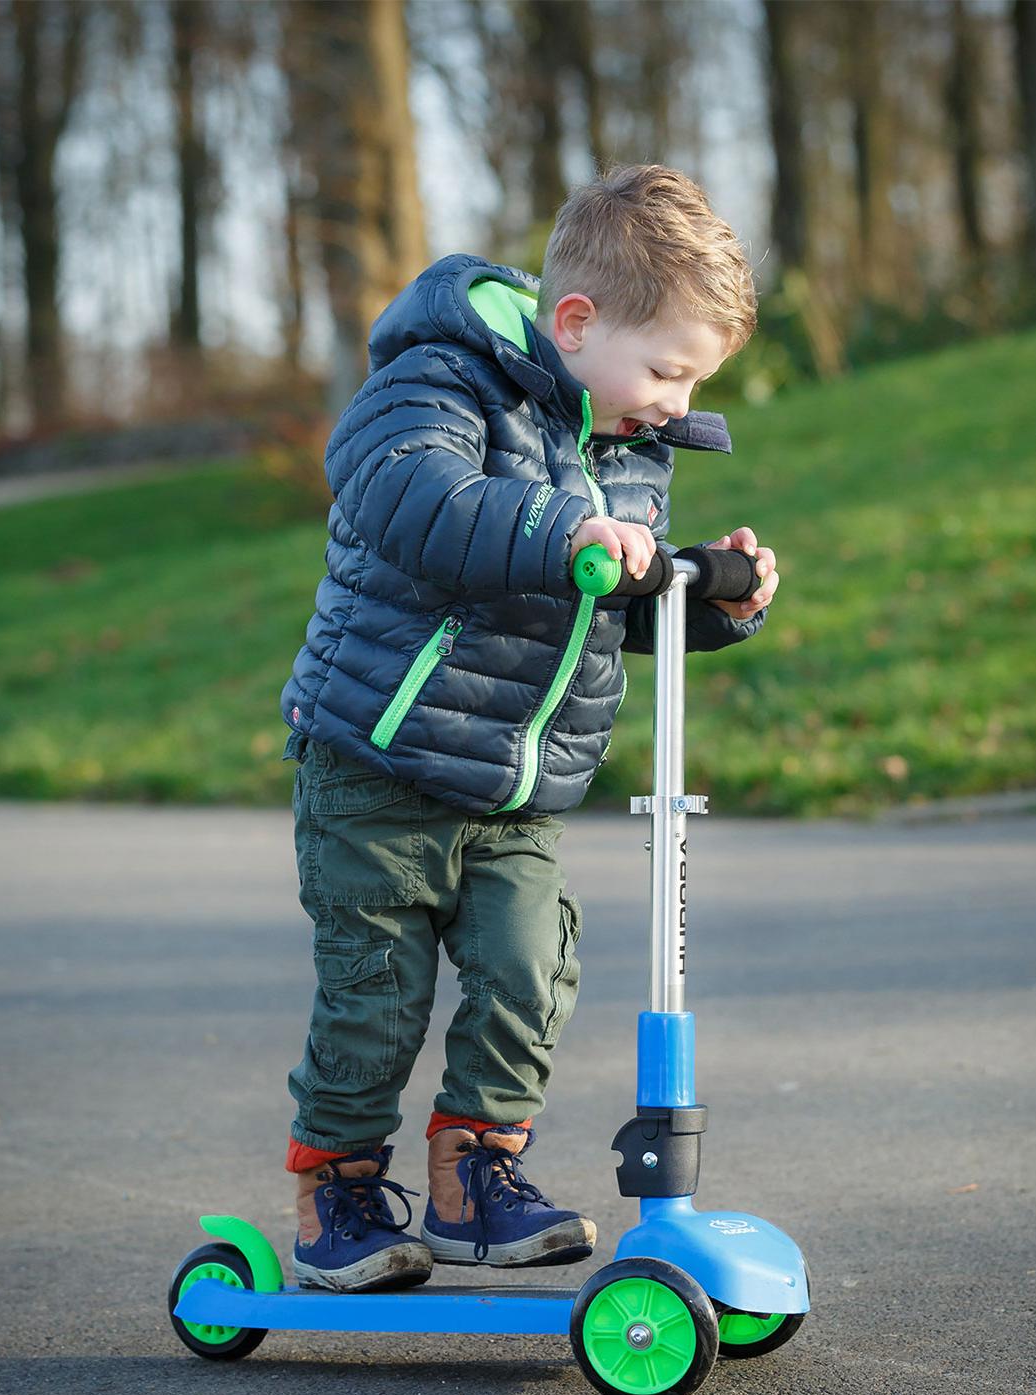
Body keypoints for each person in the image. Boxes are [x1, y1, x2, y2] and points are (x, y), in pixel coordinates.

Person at [278, 163, 780, 1292]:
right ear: (574, 322)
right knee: (378, 991)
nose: (672, 400)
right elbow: (423, 508)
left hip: (513, 788)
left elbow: (596, 603)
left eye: (690, 379)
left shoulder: (628, 444)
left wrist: (713, 602)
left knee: (525, 972)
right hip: (380, 768)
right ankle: (339, 1191)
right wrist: (569, 529)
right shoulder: (435, 385)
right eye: (664, 369)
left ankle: (475, 1179)